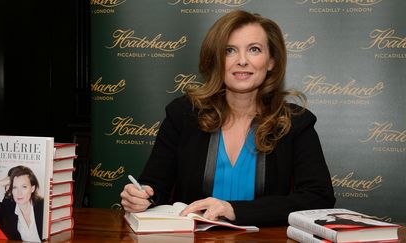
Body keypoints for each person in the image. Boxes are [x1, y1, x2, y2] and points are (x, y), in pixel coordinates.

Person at [120, 10, 335, 226]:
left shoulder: (296, 122)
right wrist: (141, 197)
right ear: (216, 59)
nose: (242, 61)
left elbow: (318, 197)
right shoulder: (183, 114)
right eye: (229, 50)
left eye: (254, 49)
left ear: (271, 61)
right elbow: (154, 186)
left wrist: (235, 210)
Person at [0, 165, 44, 241]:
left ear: (32, 188)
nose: (19, 193)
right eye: (14, 187)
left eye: (24, 187)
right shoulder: (8, 207)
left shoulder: (43, 205)